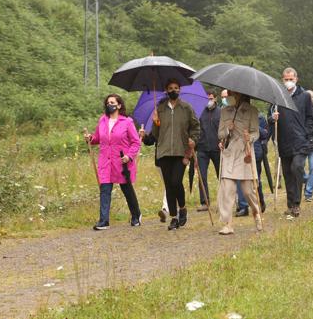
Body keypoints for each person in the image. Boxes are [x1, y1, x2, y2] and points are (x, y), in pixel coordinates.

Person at [143, 79, 201, 230]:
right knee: (169, 186)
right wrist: (155, 123)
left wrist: (193, 140)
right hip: (163, 152)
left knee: (176, 182)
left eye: (176, 88)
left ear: (179, 90)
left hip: (181, 151)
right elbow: (155, 135)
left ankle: (182, 208)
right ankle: (174, 217)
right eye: (170, 88)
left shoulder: (186, 108)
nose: (173, 90)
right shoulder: (160, 108)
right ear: (166, 90)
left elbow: (196, 127)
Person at [85, 94, 142, 230]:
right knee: (105, 190)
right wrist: (90, 138)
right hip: (105, 161)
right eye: (107, 102)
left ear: (119, 105)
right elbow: (97, 139)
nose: (109, 105)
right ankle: (104, 221)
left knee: (127, 190)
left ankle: (136, 215)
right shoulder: (102, 121)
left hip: (122, 162)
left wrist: (129, 156)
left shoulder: (127, 122)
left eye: (112, 102)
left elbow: (135, 142)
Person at [217, 91, 263, 235]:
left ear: (240, 94)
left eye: (232, 93)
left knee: (248, 191)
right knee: (227, 190)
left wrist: (250, 137)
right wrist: (227, 129)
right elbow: (220, 134)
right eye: (228, 92)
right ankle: (227, 224)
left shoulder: (252, 111)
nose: (230, 94)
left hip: (245, 153)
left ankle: (256, 213)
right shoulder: (224, 111)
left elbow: (256, 132)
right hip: (230, 153)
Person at [270, 67, 312, 218]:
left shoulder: (305, 96)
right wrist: (272, 118)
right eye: (286, 79)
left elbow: (310, 117)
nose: (288, 82)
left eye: (291, 79)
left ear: (296, 79)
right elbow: (270, 119)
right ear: (282, 80)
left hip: (301, 141)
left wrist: (306, 134)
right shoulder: (277, 97)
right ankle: (290, 205)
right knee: (288, 173)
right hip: (284, 141)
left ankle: (297, 203)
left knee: (297, 167)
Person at [236, 113, 268, 215]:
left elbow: (265, 134)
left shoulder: (260, 118)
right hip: (241, 153)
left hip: (256, 154)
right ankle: (243, 207)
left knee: (255, 180)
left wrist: (253, 127)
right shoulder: (236, 119)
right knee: (240, 180)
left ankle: (260, 201)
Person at [195, 91, 221, 212]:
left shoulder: (220, 112)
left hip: (217, 148)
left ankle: (224, 200)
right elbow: (195, 129)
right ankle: (204, 202)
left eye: (211, 98)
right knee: (201, 176)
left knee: (221, 175)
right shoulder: (199, 112)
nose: (209, 101)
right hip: (202, 149)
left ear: (215, 99)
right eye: (207, 98)